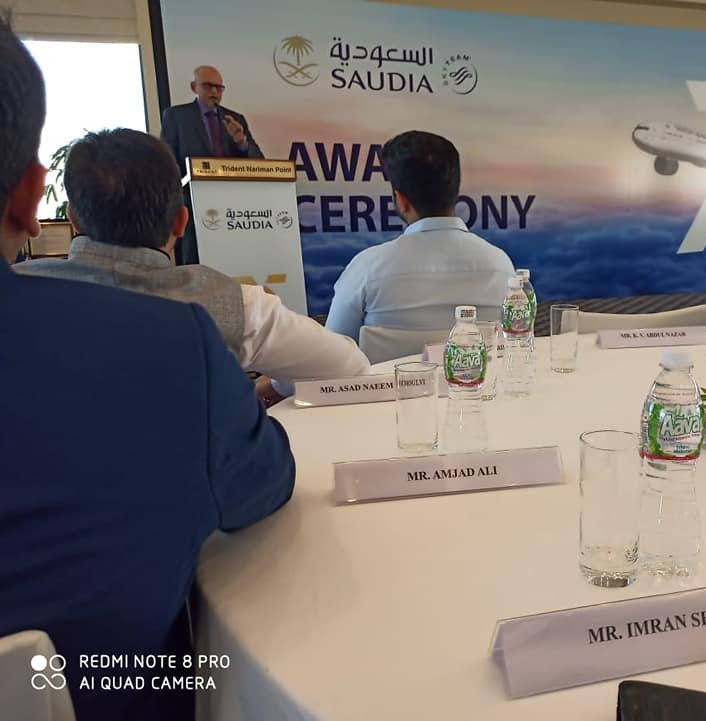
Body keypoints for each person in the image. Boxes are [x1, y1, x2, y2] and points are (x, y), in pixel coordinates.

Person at [0, 17, 295, 721]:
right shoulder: (172, 349)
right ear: (29, 196)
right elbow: (267, 483)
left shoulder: (236, 130)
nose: (214, 95)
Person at [16, 128, 369, 402]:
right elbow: (349, 369)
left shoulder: (12, 292)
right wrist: (269, 387)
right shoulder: (239, 305)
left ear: (73, 219)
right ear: (181, 222)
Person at [324, 130, 516, 343]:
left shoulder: (367, 269)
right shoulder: (502, 267)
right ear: (455, 191)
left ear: (401, 200)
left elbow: (332, 351)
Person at [161, 65, 263, 264]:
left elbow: (258, 161)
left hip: (234, 208)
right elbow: (168, 160)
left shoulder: (235, 119)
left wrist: (240, 141)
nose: (214, 92)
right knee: (195, 262)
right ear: (194, 87)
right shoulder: (176, 116)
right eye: (208, 86)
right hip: (193, 206)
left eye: (219, 88)